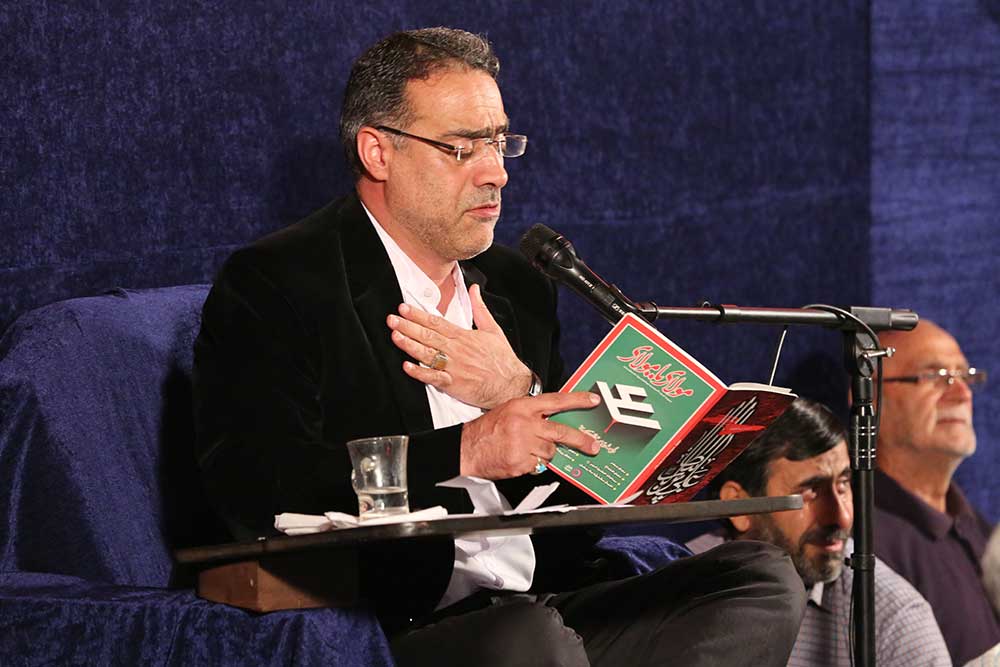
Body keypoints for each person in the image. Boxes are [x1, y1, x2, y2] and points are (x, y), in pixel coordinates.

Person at [193, 26, 805, 666]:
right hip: (399, 626)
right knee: (528, 639)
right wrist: (470, 447)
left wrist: (520, 393)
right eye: (462, 148)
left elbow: (577, 516)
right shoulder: (281, 282)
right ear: (378, 152)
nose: (497, 173)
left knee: (758, 579)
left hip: (549, 598)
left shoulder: (519, 285)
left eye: (499, 142)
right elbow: (257, 489)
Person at [689, 398, 951, 666]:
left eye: (843, 485)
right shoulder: (682, 582)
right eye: (810, 491)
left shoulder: (895, 620)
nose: (841, 517)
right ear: (738, 506)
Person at [875, 320, 1000, 664]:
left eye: (965, 376)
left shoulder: (981, 531)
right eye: (934, 375)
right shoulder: (858, 541)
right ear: (867, 397)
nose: (962, 393)